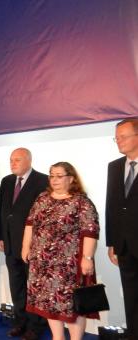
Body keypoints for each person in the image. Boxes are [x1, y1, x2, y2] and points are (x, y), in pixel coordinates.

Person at [22, 162, 99, 340]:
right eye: (51, 175)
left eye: (59, 176)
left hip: (67, 266)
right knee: (49, 304)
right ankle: (58, 338)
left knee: (71, 306)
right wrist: (25, 247)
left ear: (71, 178)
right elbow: (30, 224)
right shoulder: (42, 198)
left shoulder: (81, 201)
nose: (54, 179)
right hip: (41, 264)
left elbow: (90, 231)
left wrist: (87, 258)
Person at [0, 148, 48, 340]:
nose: (12, 163)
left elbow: (44, 216)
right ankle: (20, 322)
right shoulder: (7, 181)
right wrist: (0, 236)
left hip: (32, 246)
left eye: (17, 160)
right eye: (11, 160)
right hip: (10, 244)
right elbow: (2, 211)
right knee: (16, 287)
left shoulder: (42, 180)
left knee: (34, 289)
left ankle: (36, 327)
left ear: (29, 160)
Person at [106, 118, 138, 337]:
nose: (118, 141)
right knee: (131, 295)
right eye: (116, 137)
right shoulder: (115, 167)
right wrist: (112, 242)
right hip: (125, 245)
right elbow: (112, 205)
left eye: (123, 136)